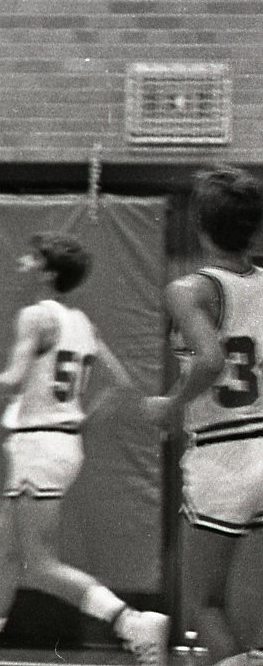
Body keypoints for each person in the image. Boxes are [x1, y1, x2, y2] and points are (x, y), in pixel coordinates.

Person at [0, 232, 166, 666]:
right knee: (1, 548)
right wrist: (80, 420)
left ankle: (130, 621)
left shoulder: (35, 316)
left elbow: (13, 379)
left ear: (48, 273)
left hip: (39, 446)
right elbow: (121, 384)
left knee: (38, 562)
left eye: (32, 257)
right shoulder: (83, 323)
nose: (22, 261)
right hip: (54, 444)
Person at [144, 166, 263, 666]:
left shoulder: (189, 290)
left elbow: (211, 360)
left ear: (202, 227)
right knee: (251, 612)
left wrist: (170, 403)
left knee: (204, 602)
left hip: (223, 453)